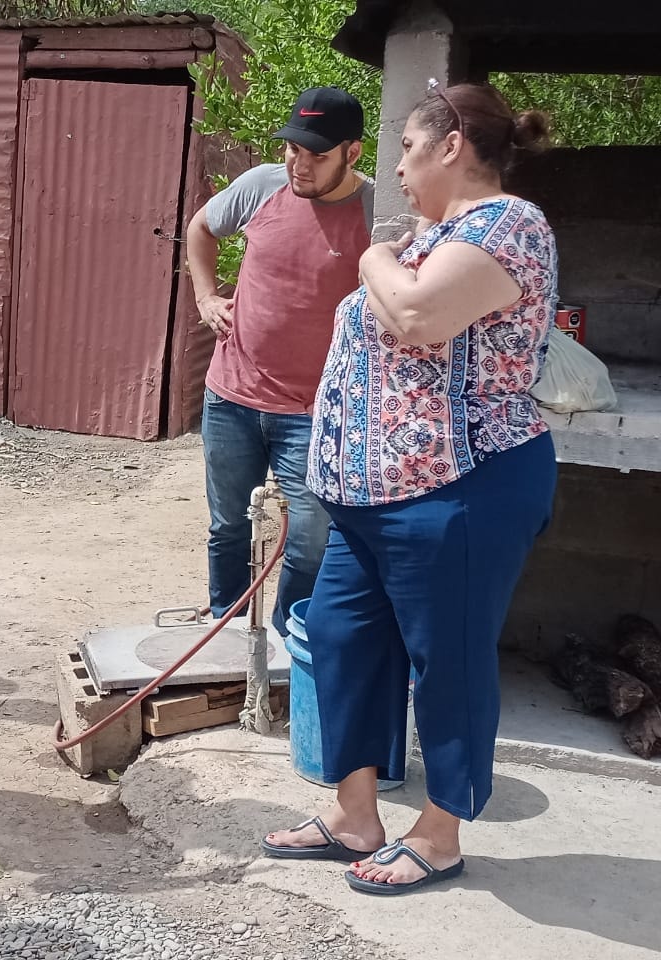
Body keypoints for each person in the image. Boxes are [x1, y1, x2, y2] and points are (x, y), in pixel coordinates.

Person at [261, 81, 558, 895]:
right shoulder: (436, 235)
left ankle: (440, 834)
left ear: (451, 146)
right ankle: (355, 815)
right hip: (373, 497)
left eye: (408, 148)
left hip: (460, 488)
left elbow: (420, 317)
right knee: (339, 636)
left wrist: (372, 257)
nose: (396, 168)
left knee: (448, 660)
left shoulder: (508, 225)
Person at [185, 87, 373, 635]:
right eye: (293, 148)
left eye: (317, 154)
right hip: (231, 397)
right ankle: (227, 628)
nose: (299, 164)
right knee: (227, 526)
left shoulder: (374, 211)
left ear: (352, 153)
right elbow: (201, 227)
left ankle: (288, 642)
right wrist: (205, 297)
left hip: (314, 412)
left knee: (310, 539)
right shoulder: (262, 185)